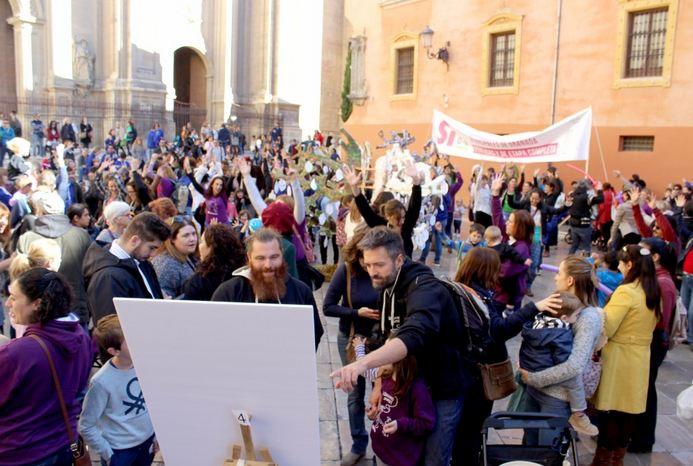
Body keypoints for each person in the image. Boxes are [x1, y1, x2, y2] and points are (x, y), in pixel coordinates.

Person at [0, 268, 92, 465]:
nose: (8, 303)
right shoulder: (82, 338)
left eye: (14, 298)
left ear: (37, 304)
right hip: (64, 444)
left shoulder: (19, 353)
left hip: (19, 453)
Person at [519, 256, 604, 446]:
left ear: (570, 280)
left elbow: (575, 366)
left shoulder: (587, 317)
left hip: (556, 397)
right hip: (536, 390)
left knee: (547, 450)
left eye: (559, 273)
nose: (556, 278)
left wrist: (534, 377)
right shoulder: (558, 303)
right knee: (529, 445)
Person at [590, 244, 660, 465]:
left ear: (629, 264)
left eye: (621, 262)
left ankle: (604, 458)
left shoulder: (626, 291)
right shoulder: (652, 290)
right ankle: (617, 457)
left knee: (611, 412)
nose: (619, 266)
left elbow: (607, 326)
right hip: (639, 358)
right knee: (627, 413)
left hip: (620, 357)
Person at [211, 228, 324, 350]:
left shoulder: (301, 292)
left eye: (274, 257)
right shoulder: (228, 293)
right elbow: (215, 336)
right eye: (260, 258)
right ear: (249, 257)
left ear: (282, 254)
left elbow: (314, 335)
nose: (268, 265)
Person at [323, 226, 380, 466]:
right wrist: (357, 312)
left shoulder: (384, 269)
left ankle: (385, 440)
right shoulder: (346, 271)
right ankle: (358, 444)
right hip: (351, 339)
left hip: (380, 342)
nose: (370, 267)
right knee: (355, 393)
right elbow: (328, 306)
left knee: (383, 390)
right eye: (364, 260)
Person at [79, 315, 157, 466]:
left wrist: (156, 436)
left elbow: (153, 403)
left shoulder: (145, 365)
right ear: (114, 351)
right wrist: (108, 455)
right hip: (120, 452)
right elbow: (86, 425)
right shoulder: (101, 382)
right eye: (129, 341)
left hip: (147, 443)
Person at [628, 238, 677, 453]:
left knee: (646, 391)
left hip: (654, 342)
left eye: (642, 250)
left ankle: (643, 439)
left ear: (655, 257)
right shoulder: (655, 279)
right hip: (648, 340)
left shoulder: (663, 283)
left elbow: (660, 321)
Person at [18, 190, 92, 325]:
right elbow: (91, 273)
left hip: (38, 312)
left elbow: (19, 277)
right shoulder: (81, 235)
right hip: (73, 309)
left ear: (39, 210)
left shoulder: (27, 238)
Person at [362, 335, 436, 466]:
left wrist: (400, 424)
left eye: (388, 351)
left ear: (400, 359)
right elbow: (384, 408)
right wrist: (374, 412)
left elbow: (426, 423)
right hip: (380, 450)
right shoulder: (385, 376)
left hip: (400, 458)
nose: (382, 353)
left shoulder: (417, 389)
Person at [83, 212, 171, 323]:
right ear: (134, 241)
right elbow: (111, 330)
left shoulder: (141, 262)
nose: (153, 254)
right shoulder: (108, 277)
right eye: (152, 248)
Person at [343, 163, 423, 258]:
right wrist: (354, 188)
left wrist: (416, 182)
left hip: (405, 269)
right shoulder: (380, 226)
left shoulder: (407, 226)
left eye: (403, 217)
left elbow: (415, 207)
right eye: (398, 218)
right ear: (388, 216)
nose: (402, 221)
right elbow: (365, 210)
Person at [182, 223, 246, 301]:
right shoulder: (242, 273)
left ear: (211, 248)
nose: (198, 245)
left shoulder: (198, 282)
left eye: (202, 241)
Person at [152, 218, 199, 298]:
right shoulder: (167, 264)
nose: (192, 239)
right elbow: (165, 300)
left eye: (194, 234)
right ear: (172, 239)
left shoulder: (189, 255)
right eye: (186, 235)